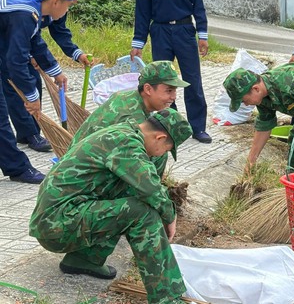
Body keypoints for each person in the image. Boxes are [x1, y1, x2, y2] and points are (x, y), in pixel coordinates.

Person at [29, 109, 193, 304]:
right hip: (57, 224)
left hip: (60, 219)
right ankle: (166, 298)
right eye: (166, 149)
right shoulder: (126, 144)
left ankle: (84, 260)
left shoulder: (124, 132)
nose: (162, 154)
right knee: (141, 213)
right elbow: (152, 190)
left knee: (128, 195)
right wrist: (170, 216)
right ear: (160, 137)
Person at [0, 0, 86, 184]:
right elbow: (16, 61)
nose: (67, 11)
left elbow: (34, 42)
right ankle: (18, 168)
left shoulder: (34, 8)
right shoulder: (23, 13)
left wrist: (56, 72)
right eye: (68, 5)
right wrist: (31, 96)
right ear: (56, 2)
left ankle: (16, 166)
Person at [131, 0, 211, 144]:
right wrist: (138, 43)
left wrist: (202, 35)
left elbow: (198, 7)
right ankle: (169, 124)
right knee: (163, 81)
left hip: (184, 30)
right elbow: (141, 14)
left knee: (192, 79)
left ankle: (198, 127)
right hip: (159, 32)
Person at [68, 61, 190, 176]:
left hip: (89, 161)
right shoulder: (132, 119)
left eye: (174, 91)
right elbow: (134, 164)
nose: (174, 97)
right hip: (82, 174)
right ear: (148, 89)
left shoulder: (129, 97)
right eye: (169, 91)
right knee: (158, 153)